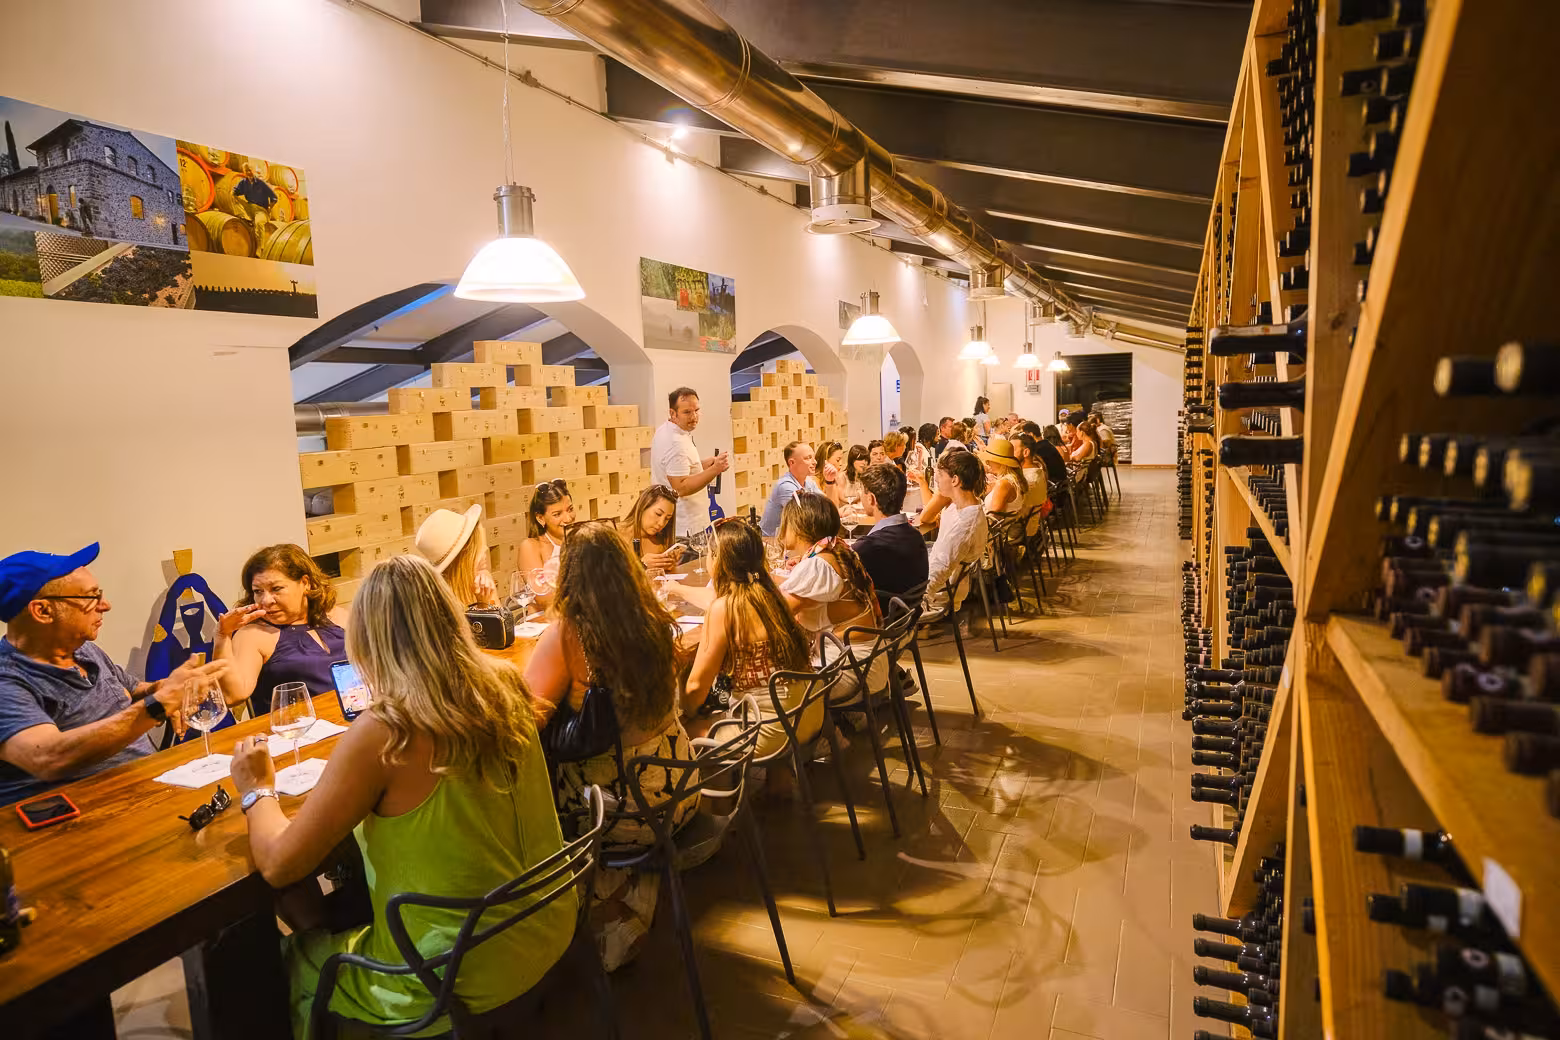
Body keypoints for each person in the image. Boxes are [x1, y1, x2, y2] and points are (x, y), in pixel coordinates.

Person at [229, 554, 573, 1037]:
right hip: (546, 923)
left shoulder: (386, 731)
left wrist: (256, 790)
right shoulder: (504, 683)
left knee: (275, 963)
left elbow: (279, 864)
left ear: (366, 640)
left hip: (451, 976)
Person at [524, 523, 696, 971]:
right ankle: (633, 882)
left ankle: (610, 906)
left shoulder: (569, 634)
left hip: (627, 808)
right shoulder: (652, 616)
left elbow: (523, 719)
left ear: (569, 576)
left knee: (530, 804)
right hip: (681, 785)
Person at [0, 543, 231, 805]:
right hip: (80, 816)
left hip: (145, 789)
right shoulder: (7, 679)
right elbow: (46, 758)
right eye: (90, 597)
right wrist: (157, 705)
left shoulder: (83, 649)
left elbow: (135, 690)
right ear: (42, 611)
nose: (105, 605)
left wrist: (159, 689)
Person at [678, 521, 814, 758]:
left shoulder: (724, 608)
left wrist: (687, 712)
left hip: (773, 730)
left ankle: (722, 784)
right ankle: (778, 777)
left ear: (717, 559)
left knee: (680, 732)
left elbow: (696, 687)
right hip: (808, 714)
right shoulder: (772, 594)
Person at [215, 544, 350, 715]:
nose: (266, 600)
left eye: (276, 589)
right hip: (296, 727)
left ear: (305, 583)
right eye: (258, 591)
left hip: (355, 718)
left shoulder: (338, 616)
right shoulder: (253, 634)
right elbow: (232, 696)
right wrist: (222, 637)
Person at [650, 387, 730, 538]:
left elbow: (680, 469)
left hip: (681, 523)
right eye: (687, 412)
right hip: (687, 527)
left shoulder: (666, 430)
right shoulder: (676, 443)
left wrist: (706, 464)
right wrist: (715, 469)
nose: (694, 416)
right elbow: (680, 487)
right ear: (673, 413)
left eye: (696, 410)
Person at [851, 464, 929, 607]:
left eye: (862, 492)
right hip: (908, 614)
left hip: (881, 617)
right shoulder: (915, 535)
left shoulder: (866, 548)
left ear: (871, 499)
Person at [923, 451, 989, 616]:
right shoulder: (961, 505)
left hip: (940, 595)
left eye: (940, 475)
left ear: (955, 480)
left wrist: (917, 601)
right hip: (940, 578)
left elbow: (940, 571)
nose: (936, 479)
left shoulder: (965, 525)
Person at [415, 504, 498, 609]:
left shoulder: (484, 581)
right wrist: (482, 605)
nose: (485, 549)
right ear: (465, 555)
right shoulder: (438, 600)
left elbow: (502, 619)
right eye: (479, 547)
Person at [517, 480, 574, 609]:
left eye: (570, 509)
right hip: (547, 617)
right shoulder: (530, 547)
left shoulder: (582, 540)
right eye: (557, 514)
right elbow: (545, 600)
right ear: (540, 518)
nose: (568, 518)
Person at [621, 484, 684, 575]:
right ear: (643, 507)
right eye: (658, 514)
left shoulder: (661, 543)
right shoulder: (613, 533)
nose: (661, 523)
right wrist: (640, 565)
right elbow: (605, 576)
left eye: (667, 518)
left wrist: (668, 565)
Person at [760, 441, 817, 537]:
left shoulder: (809, 482)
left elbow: (827, 508)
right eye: (808, 458)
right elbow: (804, 520)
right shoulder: (785, 486)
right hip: (772, 541)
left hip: (794, 538)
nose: (815, 462)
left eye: (814, 458)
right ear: (792, 462)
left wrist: (830, 482)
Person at [231, 163, 278, 245]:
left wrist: (269, 208)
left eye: (250, 170)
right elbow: (235, 191)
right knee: (232, 195)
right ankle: (244, 216)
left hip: (261, 210)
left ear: (253, 171)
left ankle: (260, 246)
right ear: (244, 172)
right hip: (249, 208)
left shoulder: (261, 183)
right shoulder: (243, 183)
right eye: (246, 171)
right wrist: (233, 192)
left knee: (259, 223)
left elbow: (274, 198)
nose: (248, 172)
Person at [981, 437, 1029, 515]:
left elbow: (993, 516)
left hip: (995, 522)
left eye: (990, 459)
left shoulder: (1004, 483)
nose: (987, 462)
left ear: (1001, 462)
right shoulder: (1013, 478)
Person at [815, 440, 846, 508]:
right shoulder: (812, 481)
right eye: (838, 460)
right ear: (825, 460)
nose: (841, 464)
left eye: (841, 460)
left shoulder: (835, 478)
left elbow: (836, 506)